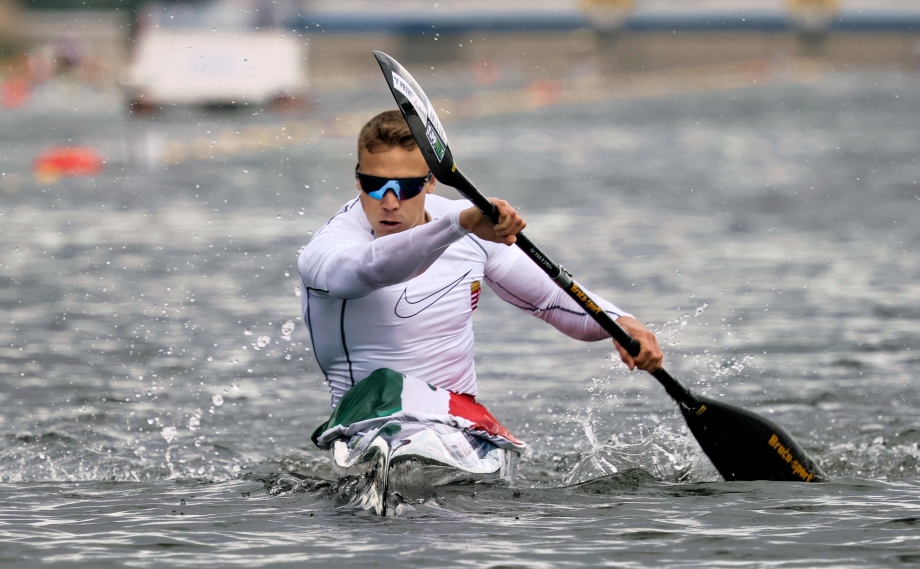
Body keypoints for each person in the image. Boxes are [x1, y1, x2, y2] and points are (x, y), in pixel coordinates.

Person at [298, 110, 663, 419]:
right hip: (363, 419)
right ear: (358, 180)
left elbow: (550, 301)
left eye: (406, 187)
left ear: (431, 184)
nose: (390, 201)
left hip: (456, 416)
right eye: (374, 185)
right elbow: (368, 270)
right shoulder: (329, 247)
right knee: (387, 386)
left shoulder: (469, 225)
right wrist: (460, 225)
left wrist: (619, 322)